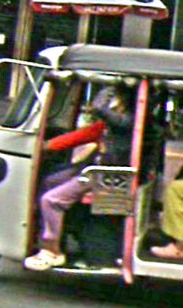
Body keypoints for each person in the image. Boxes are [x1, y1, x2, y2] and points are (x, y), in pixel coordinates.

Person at [24, 85, 134, 271]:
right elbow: (82, 135)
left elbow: (110, 117)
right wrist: (47, 145)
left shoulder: (127, 122)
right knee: (50, 181)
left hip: (105, 174)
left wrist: (102, 102)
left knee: (51, 200)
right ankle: (50, 233)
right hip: (97, 170)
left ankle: (52, 249)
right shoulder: (108, 126)